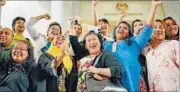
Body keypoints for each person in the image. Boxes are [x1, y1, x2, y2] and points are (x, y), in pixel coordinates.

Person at [104, 0, 162, 91]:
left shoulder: (134, 43)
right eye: (119, 27)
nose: (121, 29)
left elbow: (147, 29)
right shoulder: (107, 45)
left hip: (134, 84)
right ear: (115, 30)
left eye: (125, 28)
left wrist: (153, 7)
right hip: (113, 85)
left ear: (129, 33)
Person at [145, 19, 179, 91]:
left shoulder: (173, 44)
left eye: (161, 27)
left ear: (165, 31)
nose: (158, 29)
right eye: (154, 27)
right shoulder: (147, 51)